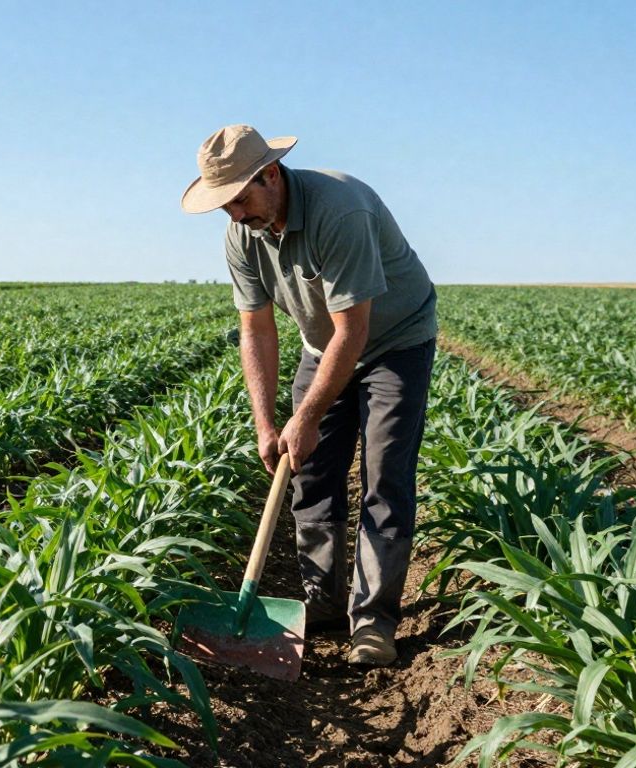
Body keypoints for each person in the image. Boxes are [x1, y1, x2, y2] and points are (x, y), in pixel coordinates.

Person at [181, 124, 437, 666]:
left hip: (394, 341)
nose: (234, 214)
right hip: (322, 346)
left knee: (384, 476)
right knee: (309, 471)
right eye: (223, 205)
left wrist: (309, 415)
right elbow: (256, 330)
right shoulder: (242, 233)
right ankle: (322, 605)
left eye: (239, 200)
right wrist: (268, 424)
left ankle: (372, 623)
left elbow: (355, 332)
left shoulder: (338, 212)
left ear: (270, 174)